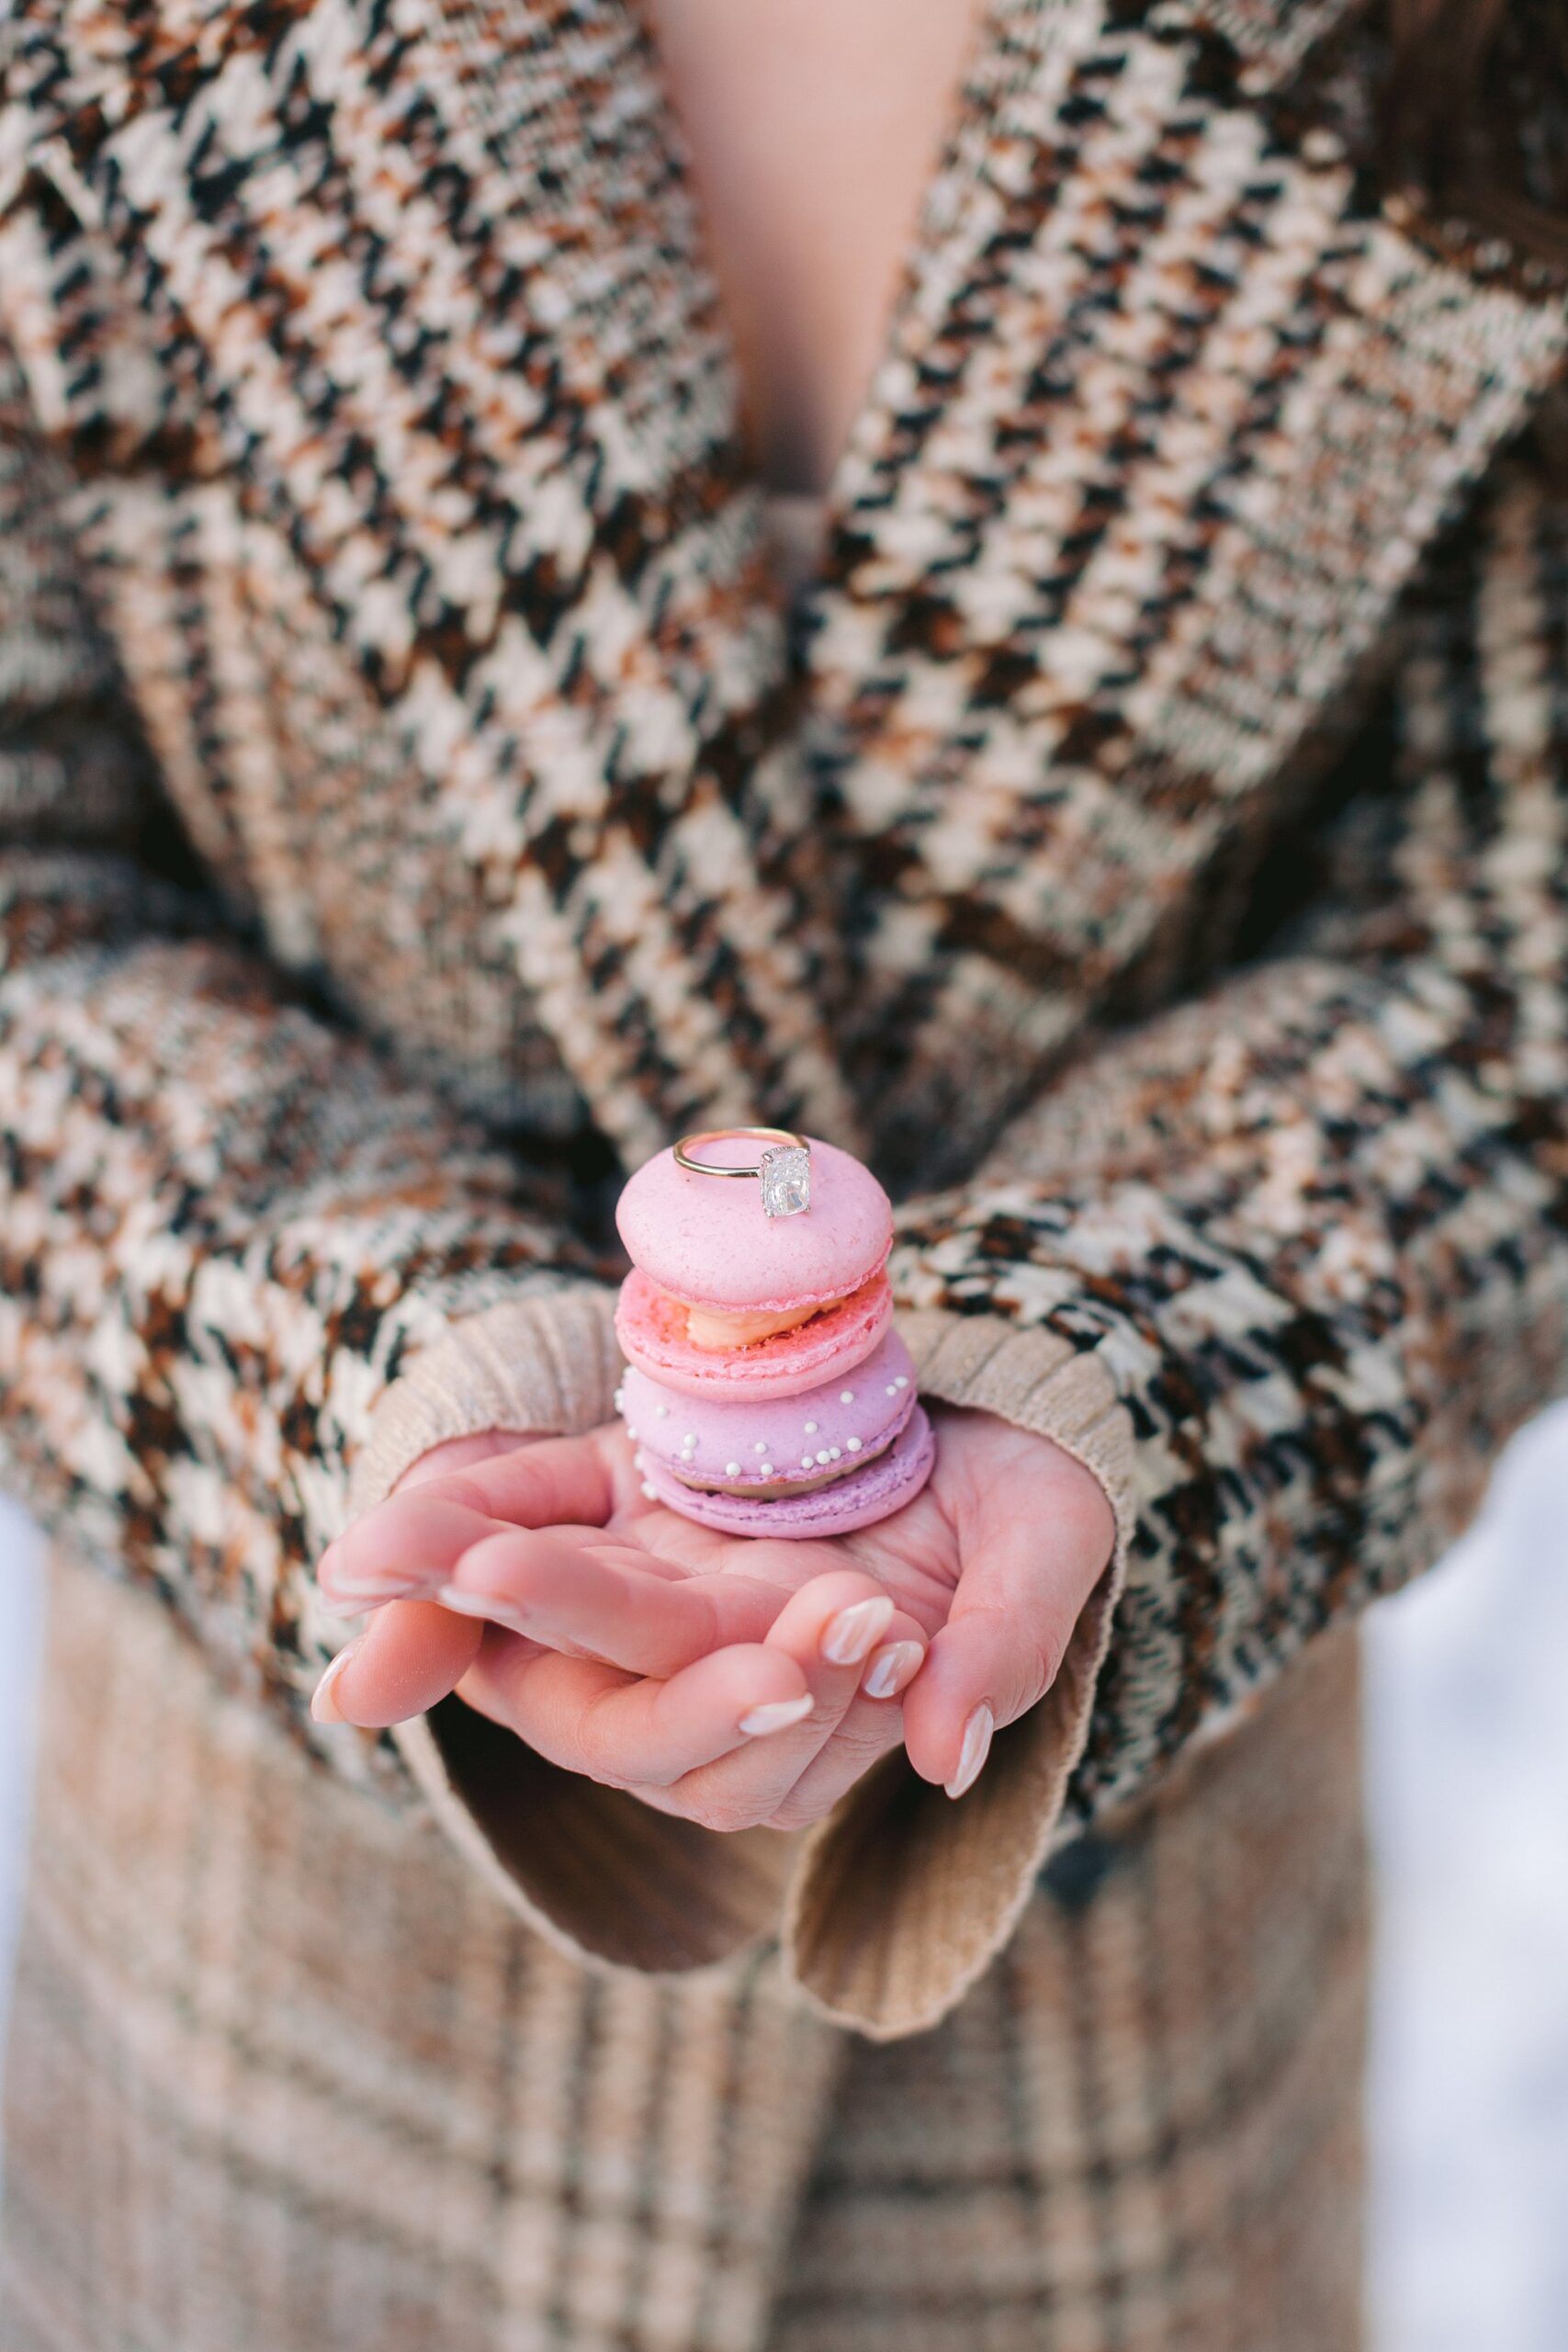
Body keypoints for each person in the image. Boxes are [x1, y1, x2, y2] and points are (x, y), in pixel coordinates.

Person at [0, 1, 1562, 2346]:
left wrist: (1095, 1382)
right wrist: (413, 1402)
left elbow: (1502, 952)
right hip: (290, 2063)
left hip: (1102, 2092)